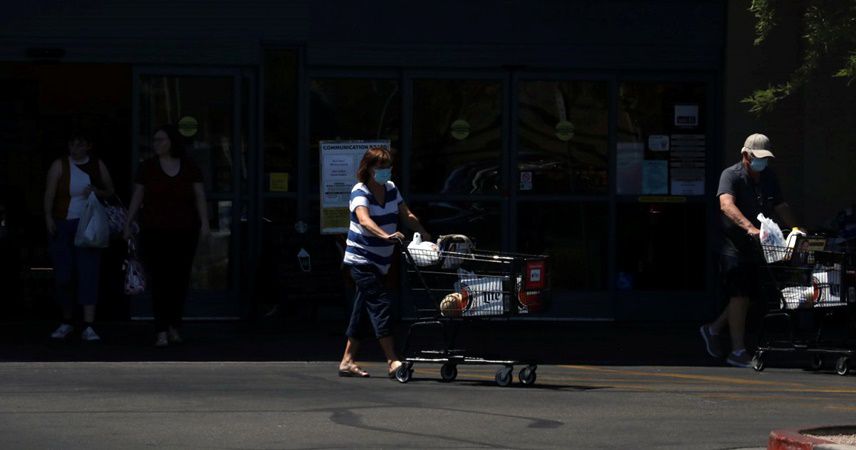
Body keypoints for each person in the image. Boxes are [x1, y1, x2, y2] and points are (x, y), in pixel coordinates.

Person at [700, 133, 798, 367]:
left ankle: (713, 329)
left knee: (749, 297)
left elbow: (780, 205)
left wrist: (795, 227)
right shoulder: (731, 175)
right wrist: (749, 228)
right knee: (740, 295)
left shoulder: (768, 176)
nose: (762, 163)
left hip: (760, 246)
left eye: (765, 159)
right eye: (758, 158)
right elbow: (726, 205)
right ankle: (737, 351)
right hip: (733, 246)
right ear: (746, 155)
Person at [338, 147, 431, 378]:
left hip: (381, 262)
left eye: (388, 167)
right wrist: (385, 235)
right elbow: (364, 219)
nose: (386, 172)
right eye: (381, 168)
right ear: (368, 169)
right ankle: (392, 360)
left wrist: (423, 232)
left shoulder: (391, 189)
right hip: (360, 261)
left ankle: (347, 361)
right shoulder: (360, 191)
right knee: (381, 305)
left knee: (361, 310)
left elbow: (406, 215)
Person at [123, 125, 209, 347]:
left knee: (179, 281)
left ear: (172, 141)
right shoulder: (147, 168)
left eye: (160, 140)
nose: (156, 144)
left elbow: (199, 196)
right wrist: (128, 222)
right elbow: (138, 195)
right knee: (160, 281)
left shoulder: (189, 167)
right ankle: (161, 329)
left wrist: (205, 224)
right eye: (154, 140)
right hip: (154, 231)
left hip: (184, 232)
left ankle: (174, 327)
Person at [44, 130, 115, 341]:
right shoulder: (59, 165)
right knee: (64, 275)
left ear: (88, 146)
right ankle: (67, 320)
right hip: (63, 223)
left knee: (89, 272)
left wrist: (97, 191)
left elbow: (110, 190)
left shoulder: (96, 164)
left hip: (88, 225)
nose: (76, 149)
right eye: (72, 144)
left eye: (80, 145)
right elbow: (49, 192)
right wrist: (48, 218)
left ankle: (88, 324)